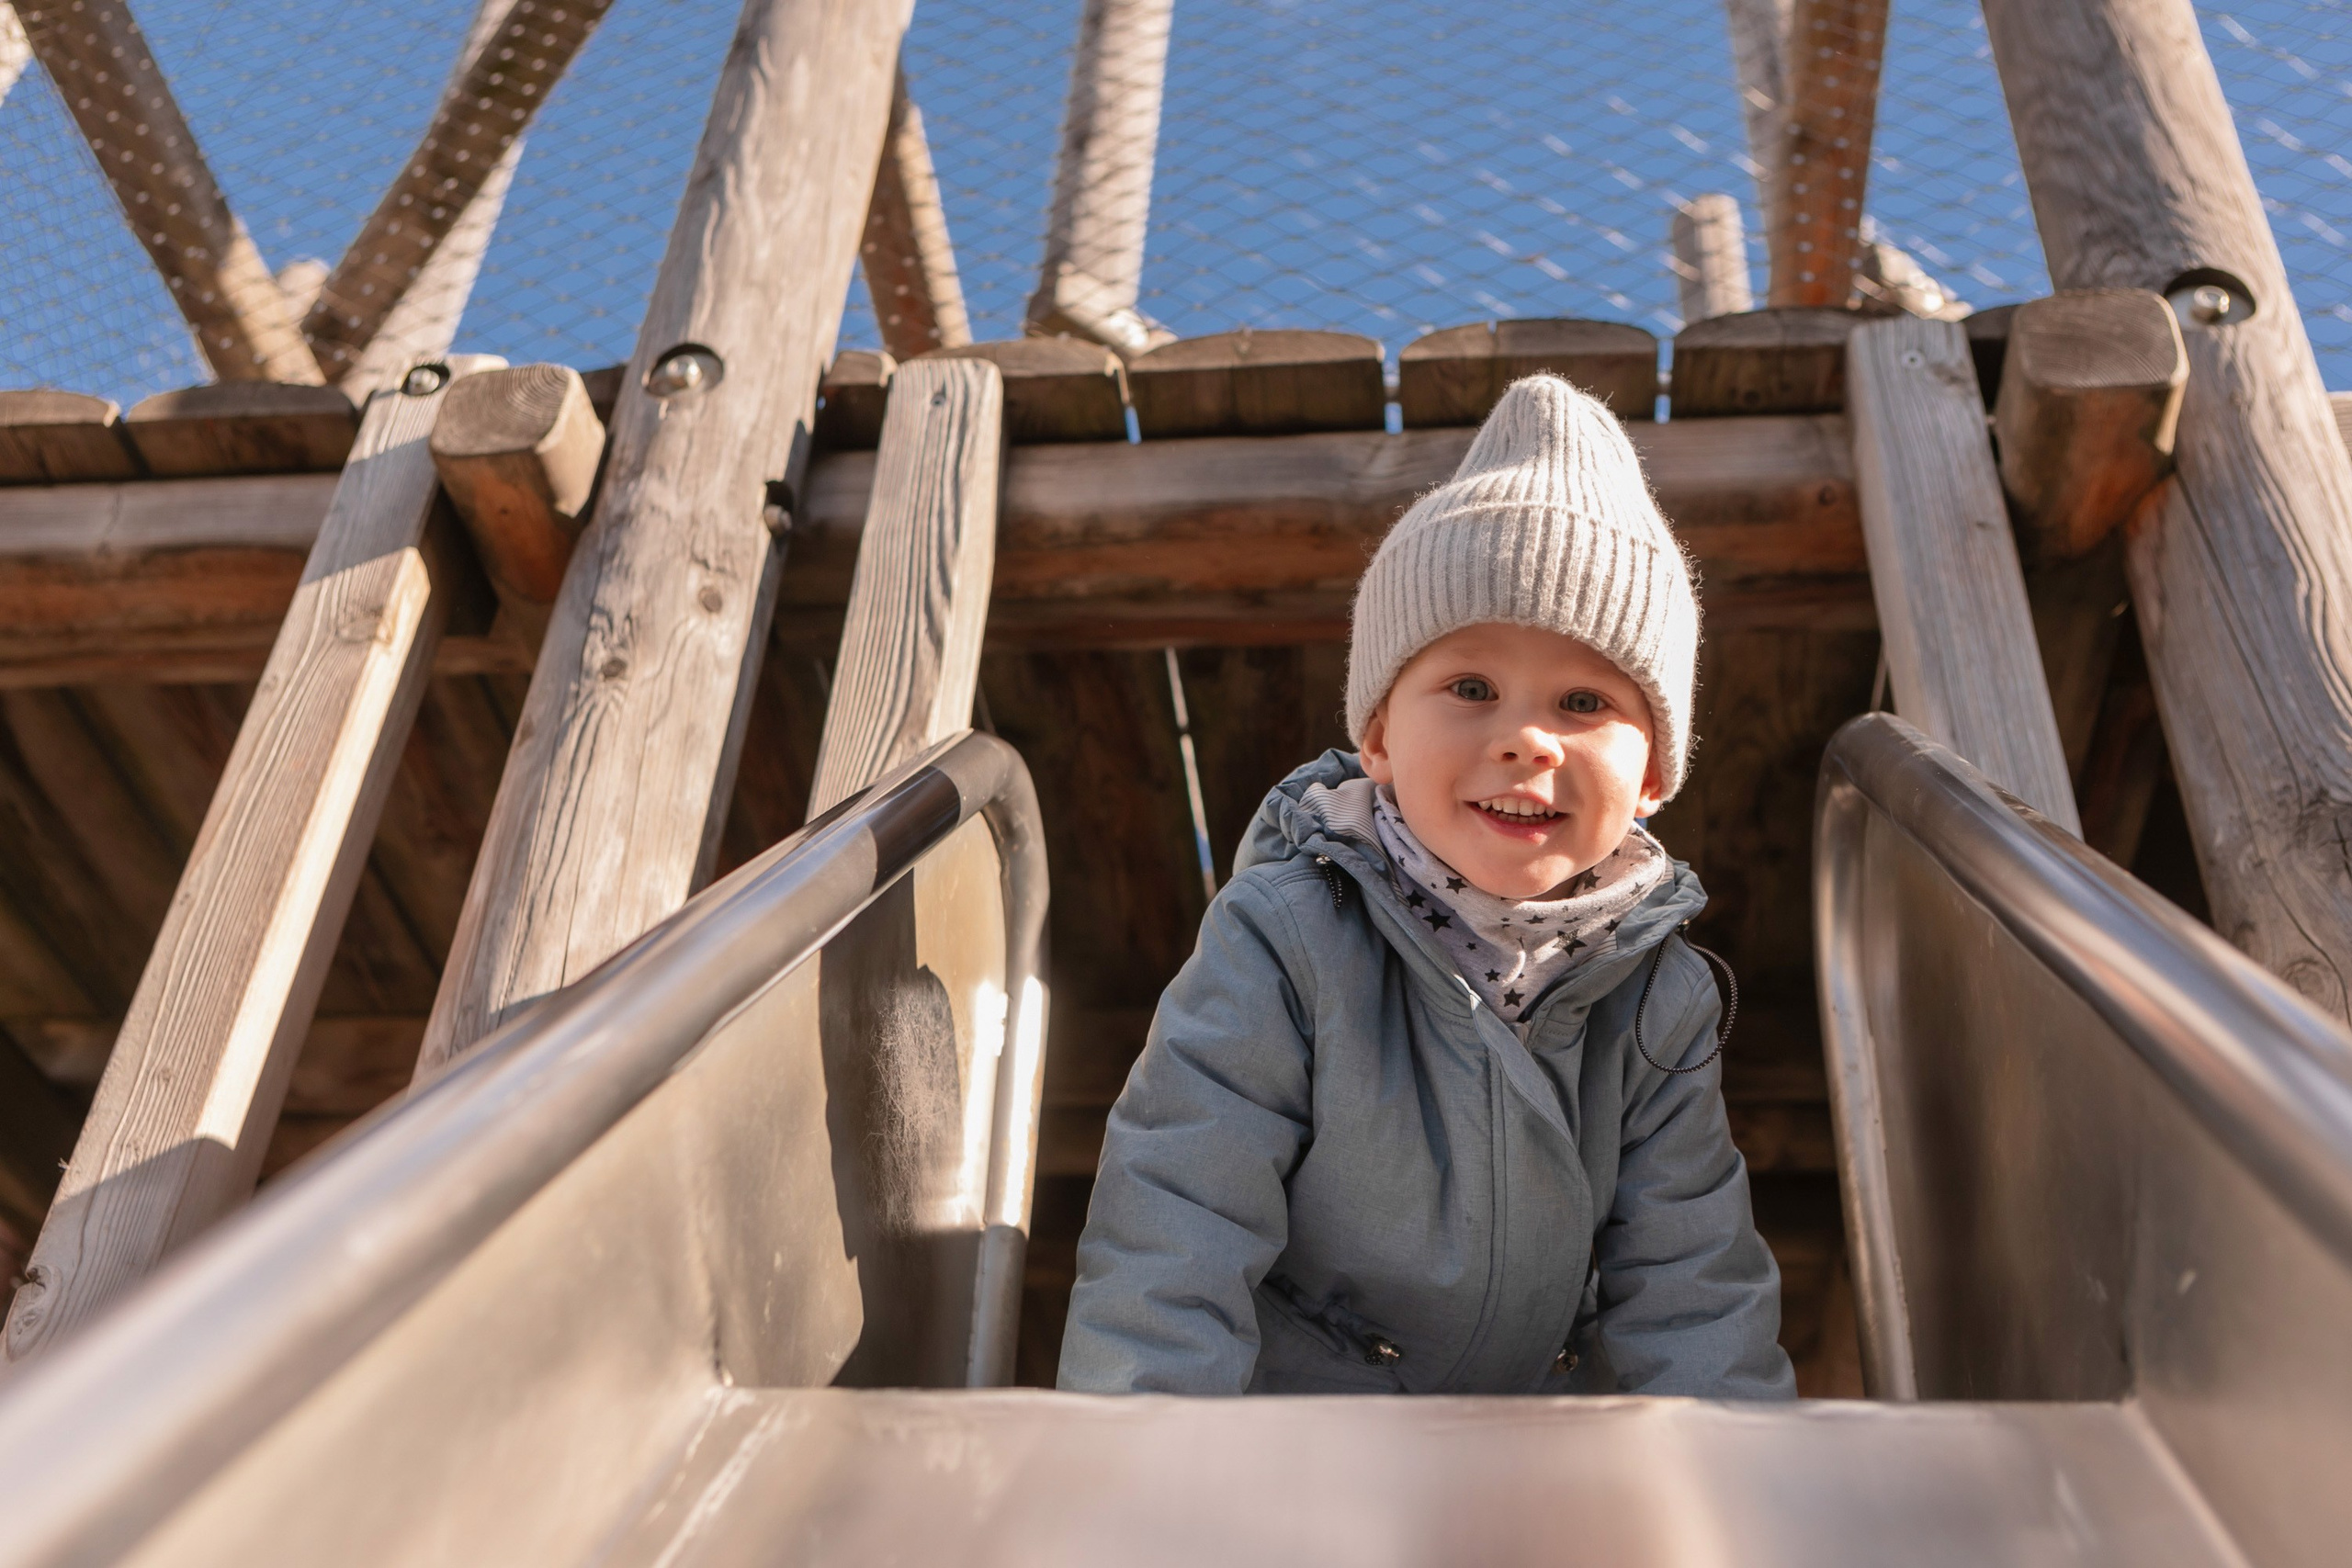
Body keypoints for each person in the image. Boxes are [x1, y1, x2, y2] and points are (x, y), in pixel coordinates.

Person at [1057, 375, 1795, 1398]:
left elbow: (1688, 1279)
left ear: (1655, 775)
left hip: (1525, 1443)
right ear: (1377, 739)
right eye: (1471, 688)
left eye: (1584, 701)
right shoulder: (1290, 937)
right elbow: (1181, 1210)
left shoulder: (1655, 998)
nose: (1525, 739)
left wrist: (1733, 1500)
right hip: (1299, 1437)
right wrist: (1147, 1469)